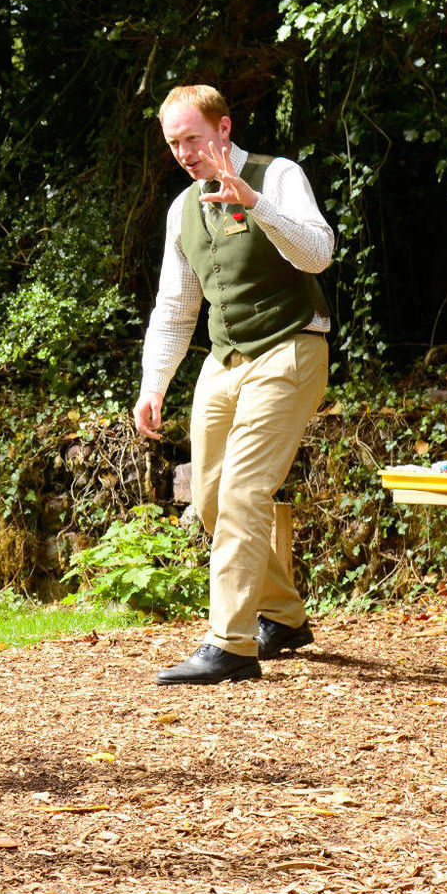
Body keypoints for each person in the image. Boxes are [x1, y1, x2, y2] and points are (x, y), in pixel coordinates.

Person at [133, 84, 333, 685]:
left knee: (246, 491)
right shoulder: (182, 210)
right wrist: (154, 383)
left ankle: (232, 644)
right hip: (225, 360)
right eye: (173, 143)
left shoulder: (278, 175)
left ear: (223, 129)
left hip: (292, 345)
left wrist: (257, 205)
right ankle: (283, 616)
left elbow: (319, 253)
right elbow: (175, 305)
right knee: (211, 499)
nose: (184, 153)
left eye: (192, 138)